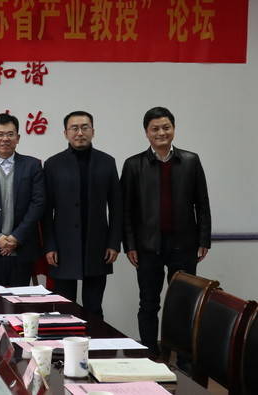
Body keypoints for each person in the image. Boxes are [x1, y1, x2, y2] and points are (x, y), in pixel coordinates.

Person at [121, 106, 211, 358]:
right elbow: (126, 210)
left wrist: (204, 239)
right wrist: (130, 245)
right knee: (149, 303)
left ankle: (184, 358)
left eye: (166, 127)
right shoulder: (133, 164)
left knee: (184, 304)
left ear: (173, 129)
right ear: (146, 133)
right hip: (147, 246)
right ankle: (150, 354)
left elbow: (202, 203)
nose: (161, 133)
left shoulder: (190, 160)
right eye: (155, 129)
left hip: (184, 244)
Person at [43, 111, 122, 318]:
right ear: (65, 133)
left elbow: (116, 207)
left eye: (85, 127)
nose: (80, 133)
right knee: (64, 309)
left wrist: (114, 243)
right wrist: (50, 245)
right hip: (63, 247)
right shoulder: (53, 164)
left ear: (93, 131)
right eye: (74, 128)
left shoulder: (107, 162)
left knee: (94, 308)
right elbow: (46, 210)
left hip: (97, 246)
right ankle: (66, 340)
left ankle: (95, 339)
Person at [0, 113, 45, 286]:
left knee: (19, 300)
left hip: (22, 248)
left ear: (18, 138)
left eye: (10, 134)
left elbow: (38, 203)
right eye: (0, 134)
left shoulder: (32, 165)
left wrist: (16, 237)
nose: (5, 139)